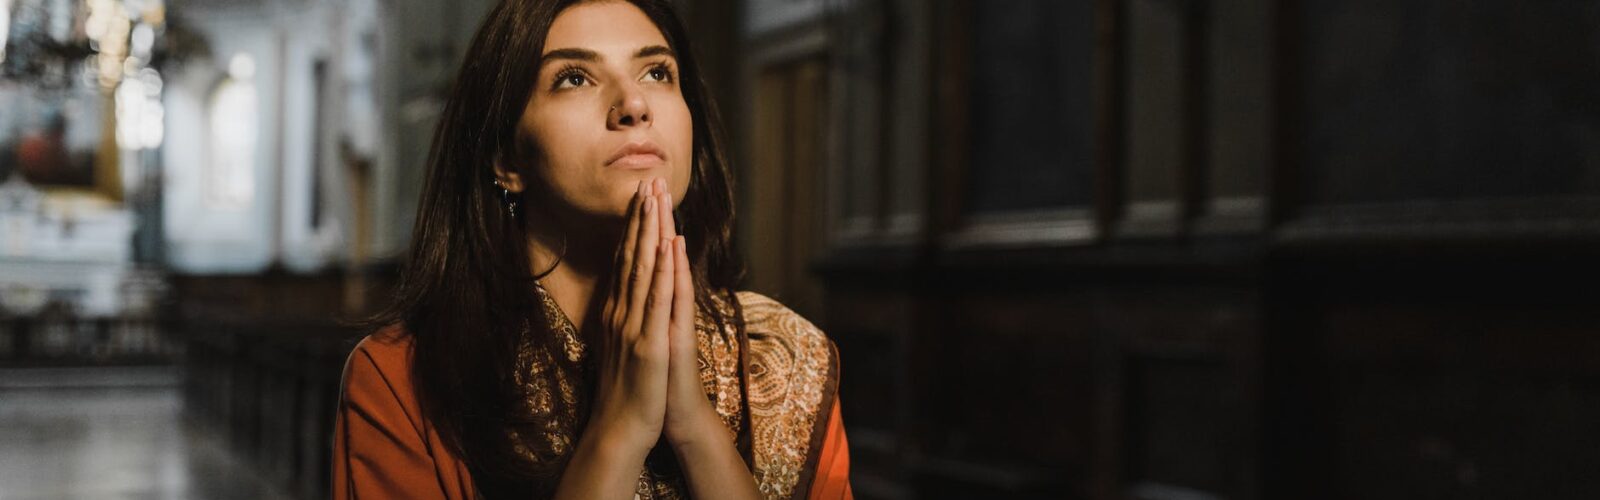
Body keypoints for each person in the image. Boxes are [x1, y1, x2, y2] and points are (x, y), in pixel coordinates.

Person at [329, 1, 852, 499]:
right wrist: (618, 429)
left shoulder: (790, 357)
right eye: (573, 78)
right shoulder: (404, 377)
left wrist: (694, 428)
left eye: (657, 73)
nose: (635, 105)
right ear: (506, 158)